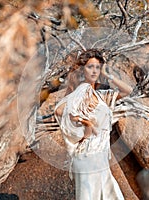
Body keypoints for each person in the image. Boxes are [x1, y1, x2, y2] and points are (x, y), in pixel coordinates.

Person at [54, 49, 132, 200]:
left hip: (100, 156)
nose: (94, 71)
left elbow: (128, 90)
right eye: (90, 67)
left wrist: (108, 75)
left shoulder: (100, 96)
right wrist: (86, 124)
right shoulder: (80, 92)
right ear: (83, 69)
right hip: (87, 154)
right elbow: (59, 111)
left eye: (97, 67)